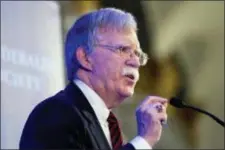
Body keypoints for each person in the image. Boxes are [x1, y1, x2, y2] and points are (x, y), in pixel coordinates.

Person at [19, 7, 168, 150]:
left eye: (138, 55)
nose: (135, 62)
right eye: (123, 49)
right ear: (85, 58)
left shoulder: (109, 127)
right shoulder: (56, 114)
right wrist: (144, 140)